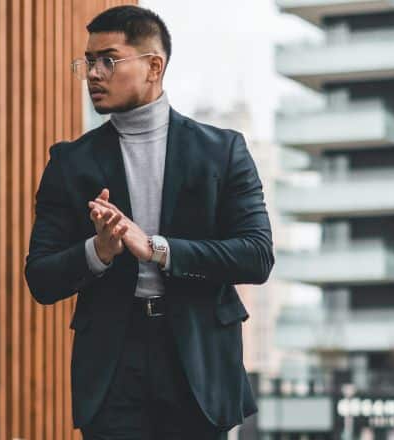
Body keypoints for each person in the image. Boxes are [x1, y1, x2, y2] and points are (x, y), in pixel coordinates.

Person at [24, 5, 274, 439]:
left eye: (108, 60)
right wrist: (98, 252)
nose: (93, 74)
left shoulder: (222, 151)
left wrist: (157, 247)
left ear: (153, 66)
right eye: (87, 62)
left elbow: (256, 256)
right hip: (113, 363)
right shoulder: (69, 162)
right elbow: (41, 278)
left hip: (197, 362)